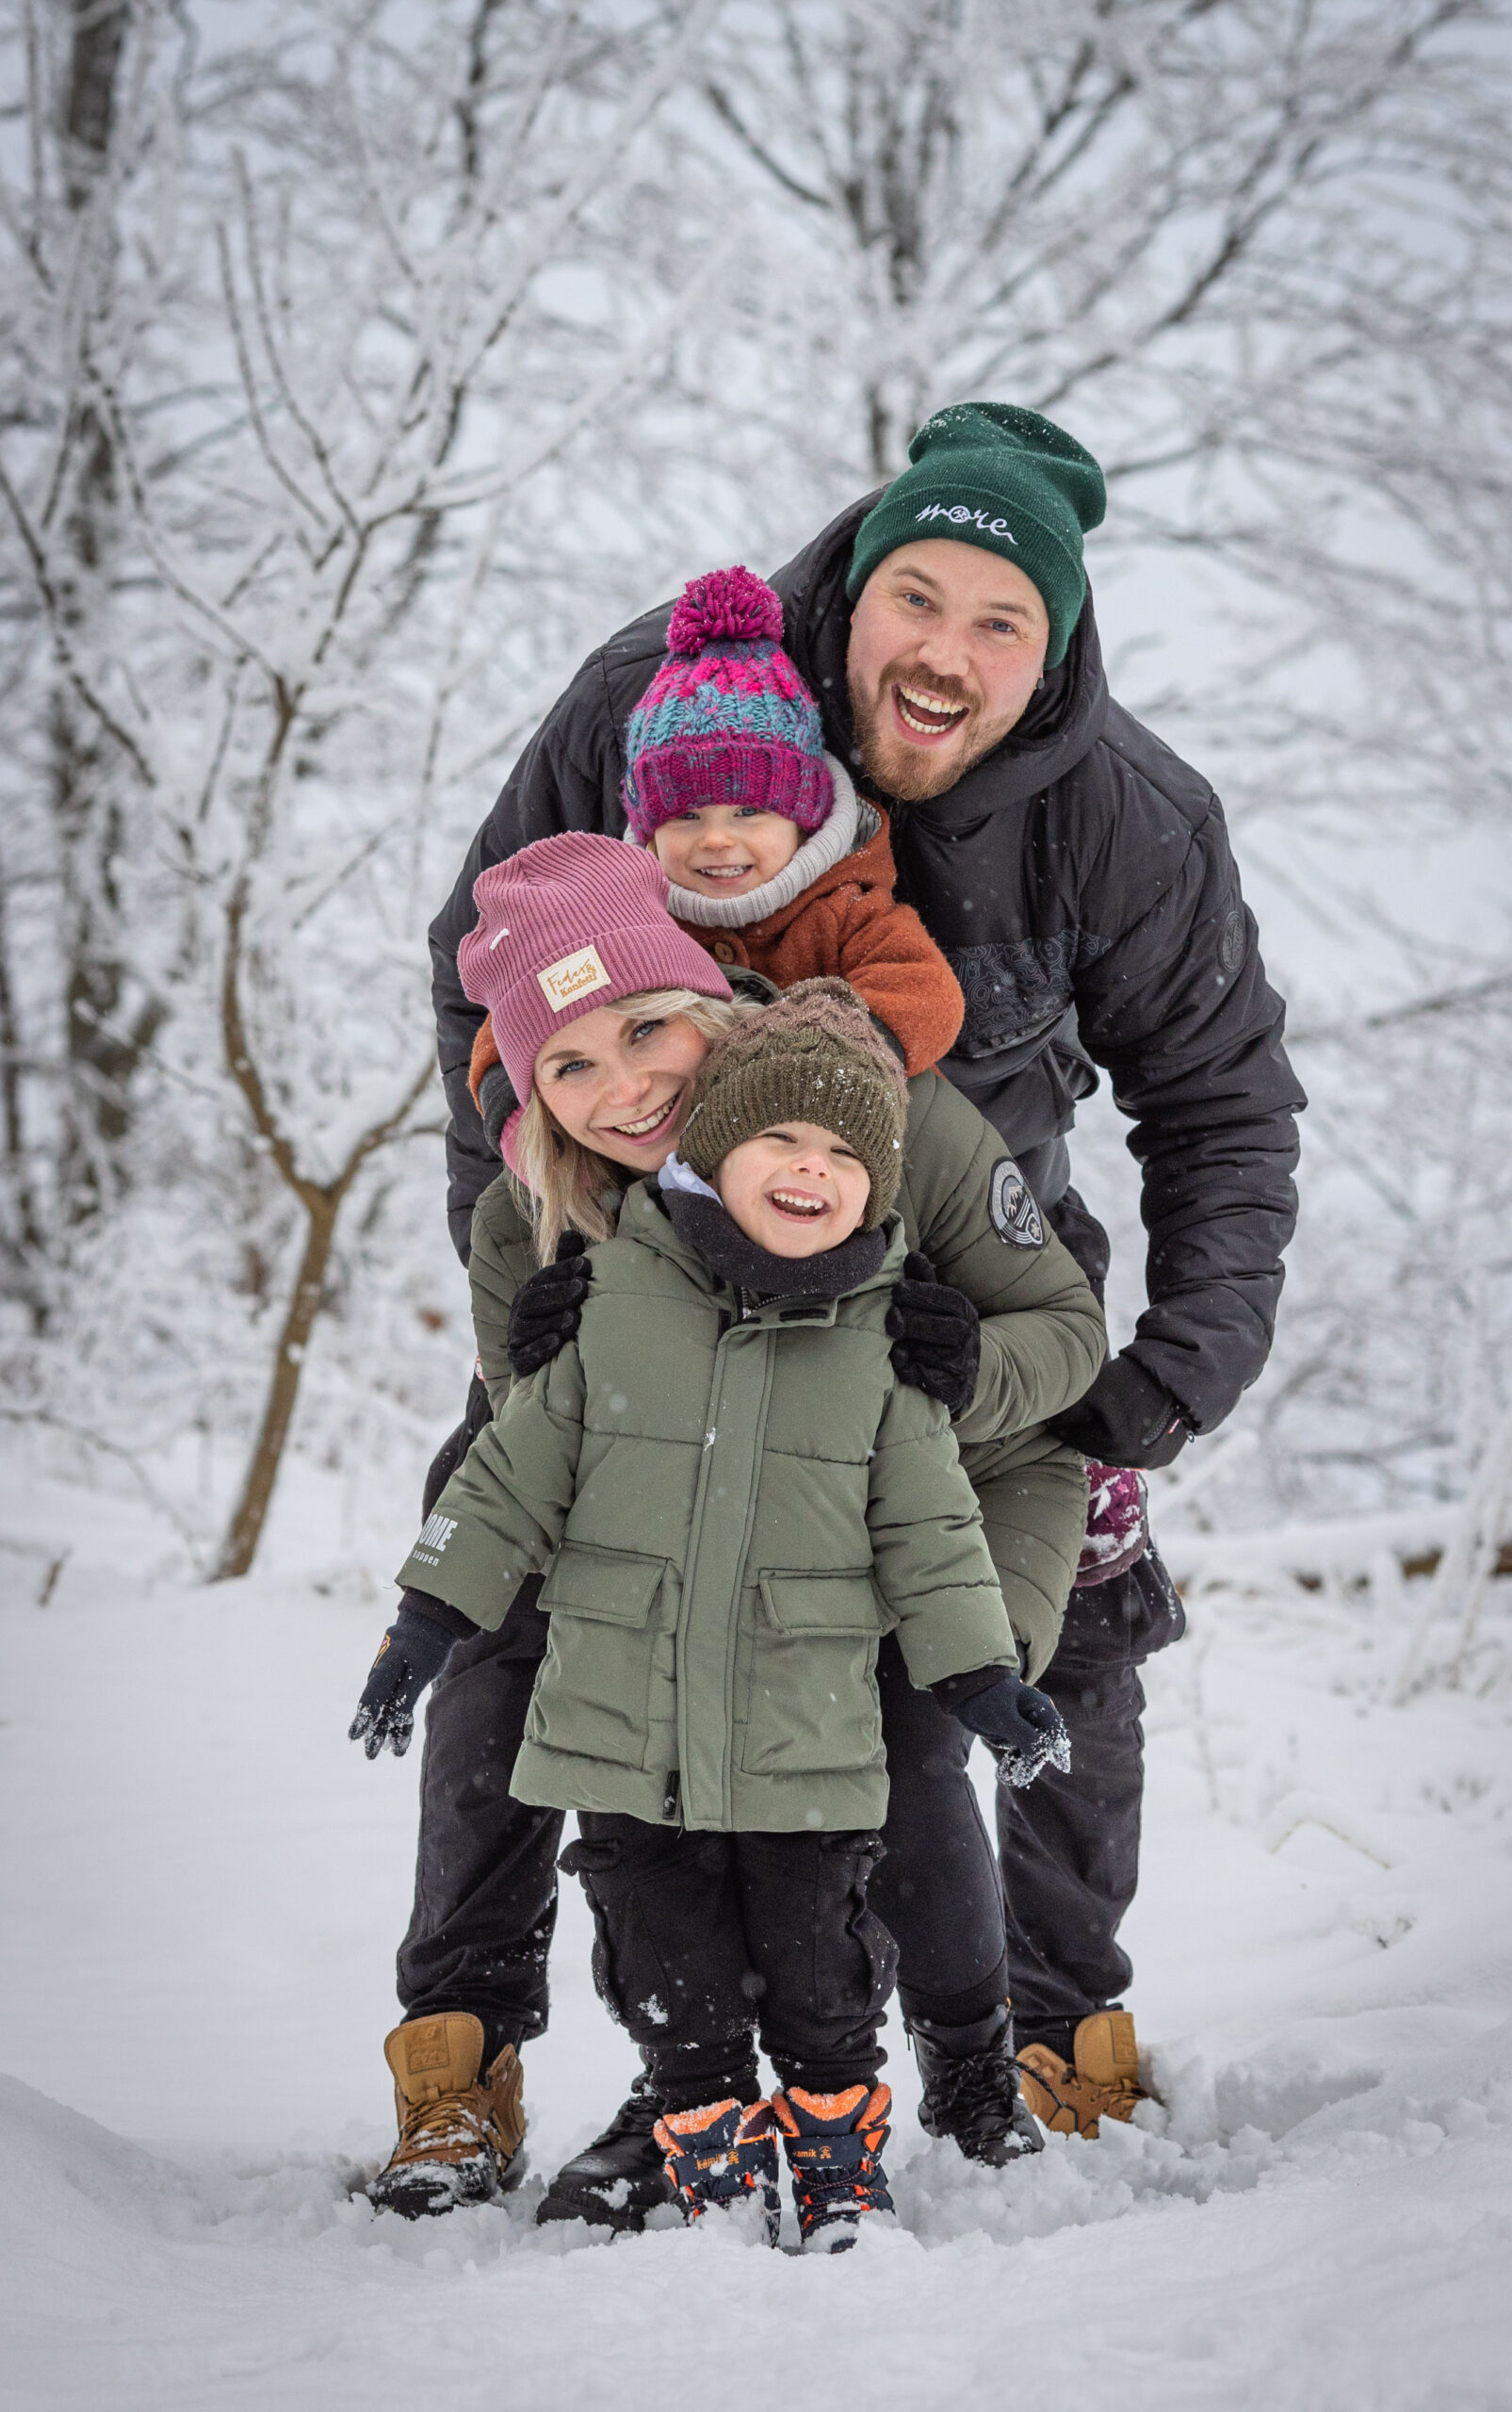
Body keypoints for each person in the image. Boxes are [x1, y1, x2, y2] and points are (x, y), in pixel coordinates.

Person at [425, 399, 1305, 2147]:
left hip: (966, 1290)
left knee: (1065, 1624)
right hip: (643, 1264)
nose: (947, 651)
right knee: (512, 1580)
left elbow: (1221, 1105)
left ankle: (1063, 2036)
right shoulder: (649, 713)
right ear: (852, 599)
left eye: (1002, 624)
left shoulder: (1126, 818)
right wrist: (530, 1275)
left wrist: (1178, 1364)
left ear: (1048, 654)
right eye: (919, 596)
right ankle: (462, 2055)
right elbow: (495, 995)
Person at [363, 833, 1105, 2221]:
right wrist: (534, 1375)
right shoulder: (535, 1215)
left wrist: (960, 1367)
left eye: (646, 1028)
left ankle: (958, 2063)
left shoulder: (866, 1104)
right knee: (600, 1723)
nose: (623, 1086)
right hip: (699, 1508)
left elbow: (1065, 1335)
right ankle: (653, 2077)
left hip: (956, 1487)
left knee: (886, 1733)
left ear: (704, 997)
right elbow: (566, 1452)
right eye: (568, 1065)